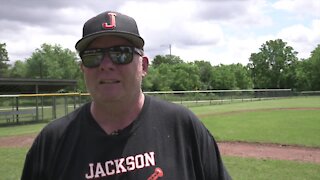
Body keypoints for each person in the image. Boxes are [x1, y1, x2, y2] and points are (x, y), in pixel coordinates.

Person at [21, 11, 231, 180]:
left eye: (121, 53)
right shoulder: (52, 141)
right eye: (93, 56)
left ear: (144, 66)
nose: (106, 65)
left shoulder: (182, 126)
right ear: (82, 68)